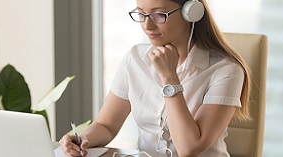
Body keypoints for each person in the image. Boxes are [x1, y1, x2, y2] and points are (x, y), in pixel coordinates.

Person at [59, 0, 251, 156]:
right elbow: (106, 125)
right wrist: (83, 139)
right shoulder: (135, 59)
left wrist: (169, 78)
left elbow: (189, 148)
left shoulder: (226, 70)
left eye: (158, 15)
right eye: (141, 14)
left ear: (191, 12)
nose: (146, 25)